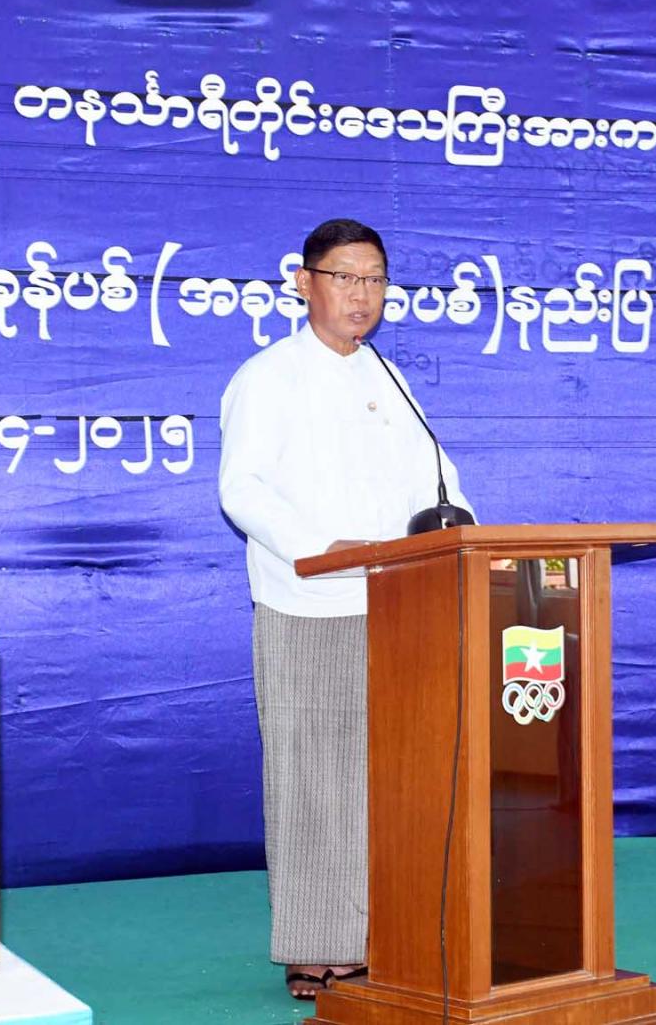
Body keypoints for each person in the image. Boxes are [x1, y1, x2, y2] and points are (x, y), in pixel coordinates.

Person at [218, 218, 472, 1000]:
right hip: (311, 602)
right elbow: (242, 488)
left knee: (387, 780)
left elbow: (436, 477)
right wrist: (321, 547)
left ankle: (385, 934)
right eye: (345, 277)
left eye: (375, 280)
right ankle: (317, 948)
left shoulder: (386, 378)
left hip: (396, 604)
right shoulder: (268, 376)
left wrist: (461, 529)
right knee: (314, 782)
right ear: (305, 283)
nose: (362, 295)